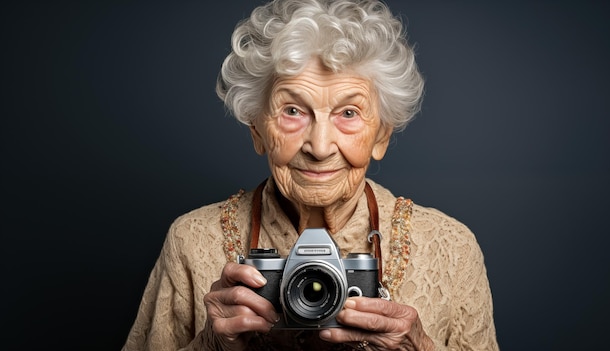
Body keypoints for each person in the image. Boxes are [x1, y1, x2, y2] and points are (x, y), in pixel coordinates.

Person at [122, 0, 498, 350]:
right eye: (292, 111)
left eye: (349, 113)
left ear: (381, 135)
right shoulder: (192, 239)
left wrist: (420, 347)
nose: (319, 147)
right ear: (257, 130)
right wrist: (212, 344)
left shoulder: (451, 247)